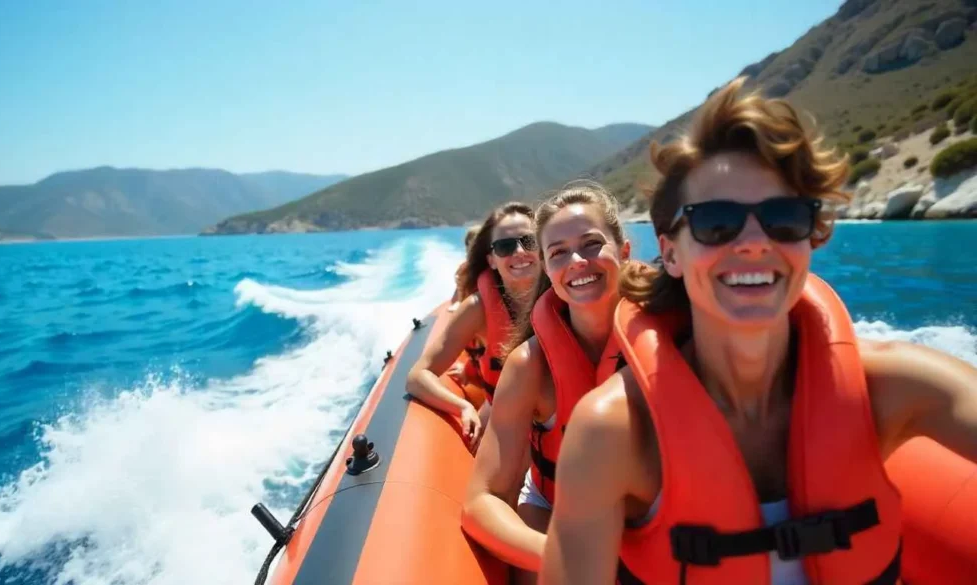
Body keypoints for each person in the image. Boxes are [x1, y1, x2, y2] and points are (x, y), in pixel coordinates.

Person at [539, 77, 977, 585]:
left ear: (812, 236)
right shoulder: (612, 434)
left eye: (783, 218)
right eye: (717, 222)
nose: (752, 241)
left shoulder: (898, 387)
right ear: (672, 251)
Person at [461, 180, 636, 582]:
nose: (577, 260)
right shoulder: (529, 367)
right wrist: (566, 557)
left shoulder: (673, 342)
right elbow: (480, 500)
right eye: (558, 252)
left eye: (592, 244)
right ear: (547, 266)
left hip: (650, 524)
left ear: (623, 251)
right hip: (556, 514)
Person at [407, 202, 540, 451]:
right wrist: (462, 406)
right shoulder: (477, 309)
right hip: (506, 426)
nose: (519, 251)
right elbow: (417, 377)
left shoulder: (569, 294)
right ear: (491, 260)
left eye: (529, 241)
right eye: (505, 246)